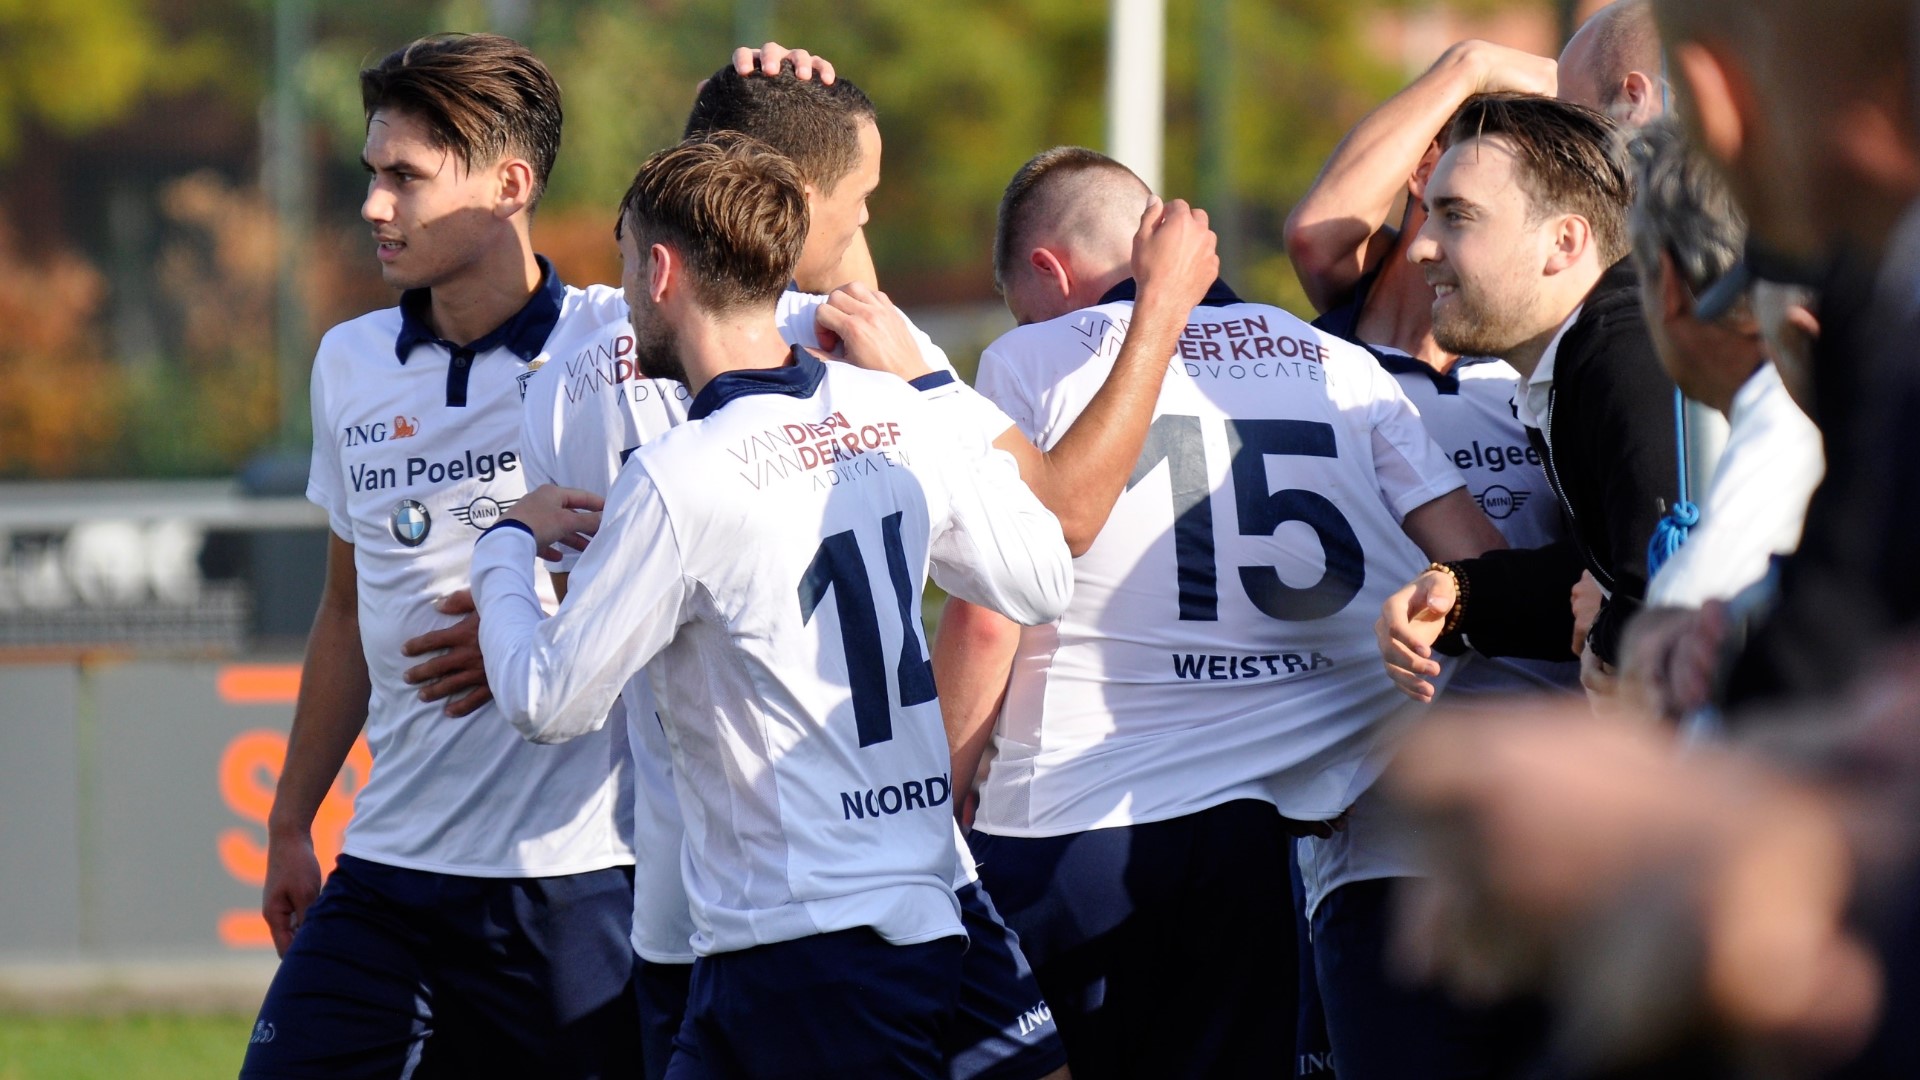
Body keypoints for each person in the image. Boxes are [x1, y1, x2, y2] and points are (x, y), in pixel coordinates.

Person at [472, 132, 1078, 1080]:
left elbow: (550, 700)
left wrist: (503, 544)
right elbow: (1042, 579)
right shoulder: (894, 408)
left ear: (662, 270)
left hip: (804, 944)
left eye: (629, 265)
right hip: (914, 901)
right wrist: (926, 384)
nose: (625, 296)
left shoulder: (680, 476)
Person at [936, 145, 1505, 1078]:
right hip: (1259, 836)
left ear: (1045, 271)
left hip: (1067, 817)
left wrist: (940, 794)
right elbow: (1483, 562)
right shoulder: (1339, 363)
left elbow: (992, 611)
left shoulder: (1030, 359)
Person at [242, 33, 640, 1079]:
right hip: (385, 870)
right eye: (373, 175)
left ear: (510, 187)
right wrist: (292, 821)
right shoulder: (349, 362)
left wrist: (540, 627)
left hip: (576, 882)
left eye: (406, 179)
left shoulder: (617, 350)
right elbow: (346, 610)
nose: (375, 205)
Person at [1375, 92, 1678, 703]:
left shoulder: (1623, 353)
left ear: (1565, 241)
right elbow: (1602, 581)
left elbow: (1667, 586)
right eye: (1426, 215)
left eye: (1456, 216)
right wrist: (1463, 595)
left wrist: (1612, 632)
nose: (1419, 248)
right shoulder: (1583, 357)